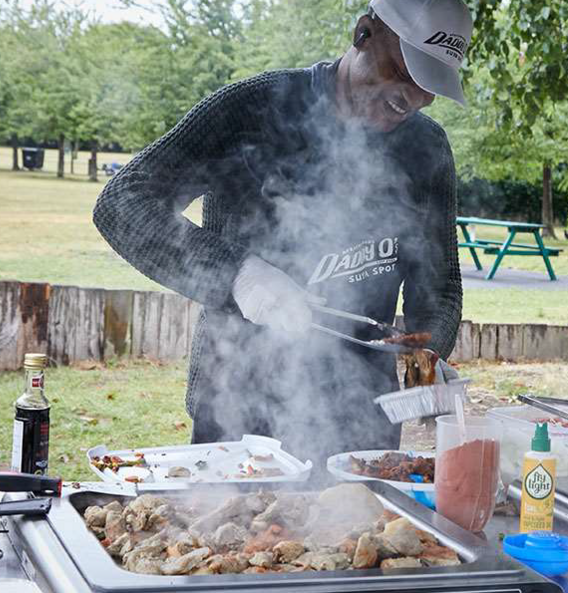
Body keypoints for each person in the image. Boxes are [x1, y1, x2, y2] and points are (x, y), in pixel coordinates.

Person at [93, 0, 469, 463]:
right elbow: (123, 203)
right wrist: (241, 276)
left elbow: (439, 283)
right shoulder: (252, 109)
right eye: (408, 67)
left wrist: (424, 361)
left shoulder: (426, 148)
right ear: (364, 33)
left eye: (431, 84)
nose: (414, 95)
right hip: (238, 414)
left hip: (359, 425)